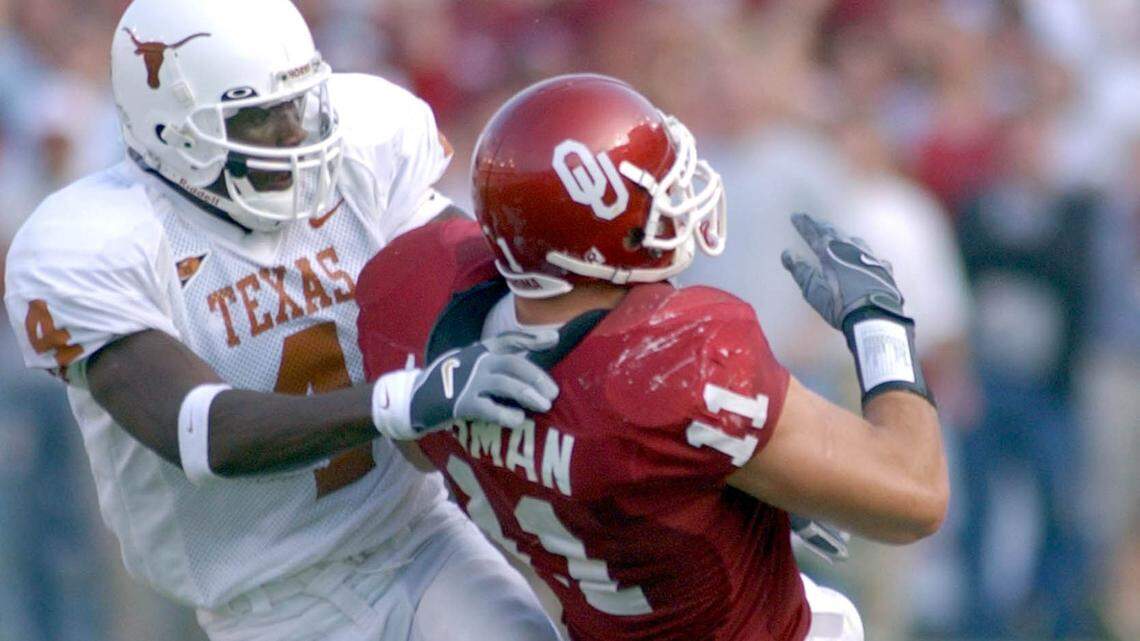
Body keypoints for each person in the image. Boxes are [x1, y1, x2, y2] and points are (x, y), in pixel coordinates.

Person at [2, 1, 564, 640]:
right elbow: (201, 430)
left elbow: (472, 282)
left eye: (300, 105)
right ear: (173, 132)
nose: (297, 134)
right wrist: (399, 403)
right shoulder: (97, 243)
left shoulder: (363, 143)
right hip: (270, 605)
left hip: (424, 543)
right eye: (263, 119)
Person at [356, 74, 949, 641]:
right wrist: (880, 322)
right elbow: (915, 497)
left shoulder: (424, 316)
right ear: (602, 223)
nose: (675, 199)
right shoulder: (673, 363)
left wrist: (731, 483)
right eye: (656, 186)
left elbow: (421, 439)